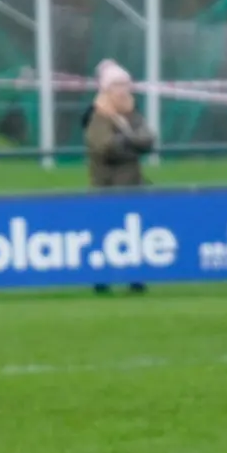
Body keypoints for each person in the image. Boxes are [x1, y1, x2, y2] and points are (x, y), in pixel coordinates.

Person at [83, 58, 154, 294]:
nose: (124, 90)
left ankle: (136, 280)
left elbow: (148, 139)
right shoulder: (98, 117)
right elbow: (104, 147)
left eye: (126, 84)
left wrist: (127, 140)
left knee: (136, 235)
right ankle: (101, 281)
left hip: (132, 186)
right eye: (118, 85)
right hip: (106, 187)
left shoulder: (133, 114)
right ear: (106, 89)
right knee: (106, 234)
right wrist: (131, 142)